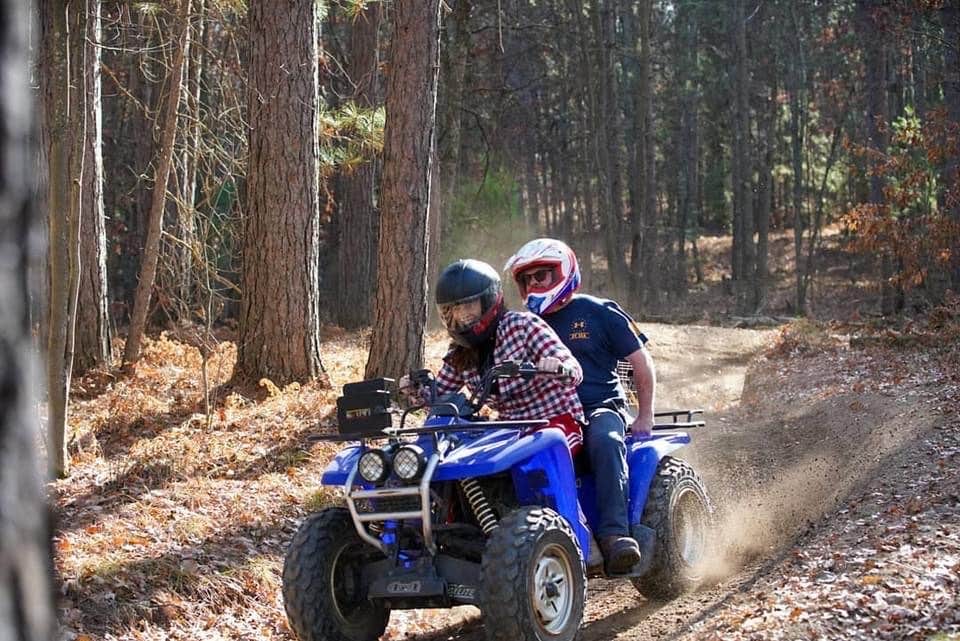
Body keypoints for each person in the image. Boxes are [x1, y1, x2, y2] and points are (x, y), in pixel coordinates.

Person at [504, 238, 657, 573]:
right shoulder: (523, 325)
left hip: (600, 408)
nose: (533, 284)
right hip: (545, 416)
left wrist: (645, 415)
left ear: (563, 271)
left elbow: (640, 363)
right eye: (526, 279)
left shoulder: (599, 312)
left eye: (541, 276)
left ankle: (616, 535)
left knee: (605, 439)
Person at [401, 258, 586, 453]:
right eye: (455, 309)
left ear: (489, 301)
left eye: (469, 306)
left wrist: (557, 367)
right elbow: (440, 394)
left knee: (532, 463)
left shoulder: (522, 326)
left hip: (554, 423)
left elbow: (572, 368)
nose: (462, 314)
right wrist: (415, 388)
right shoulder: (460, 352)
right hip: (507, 432)